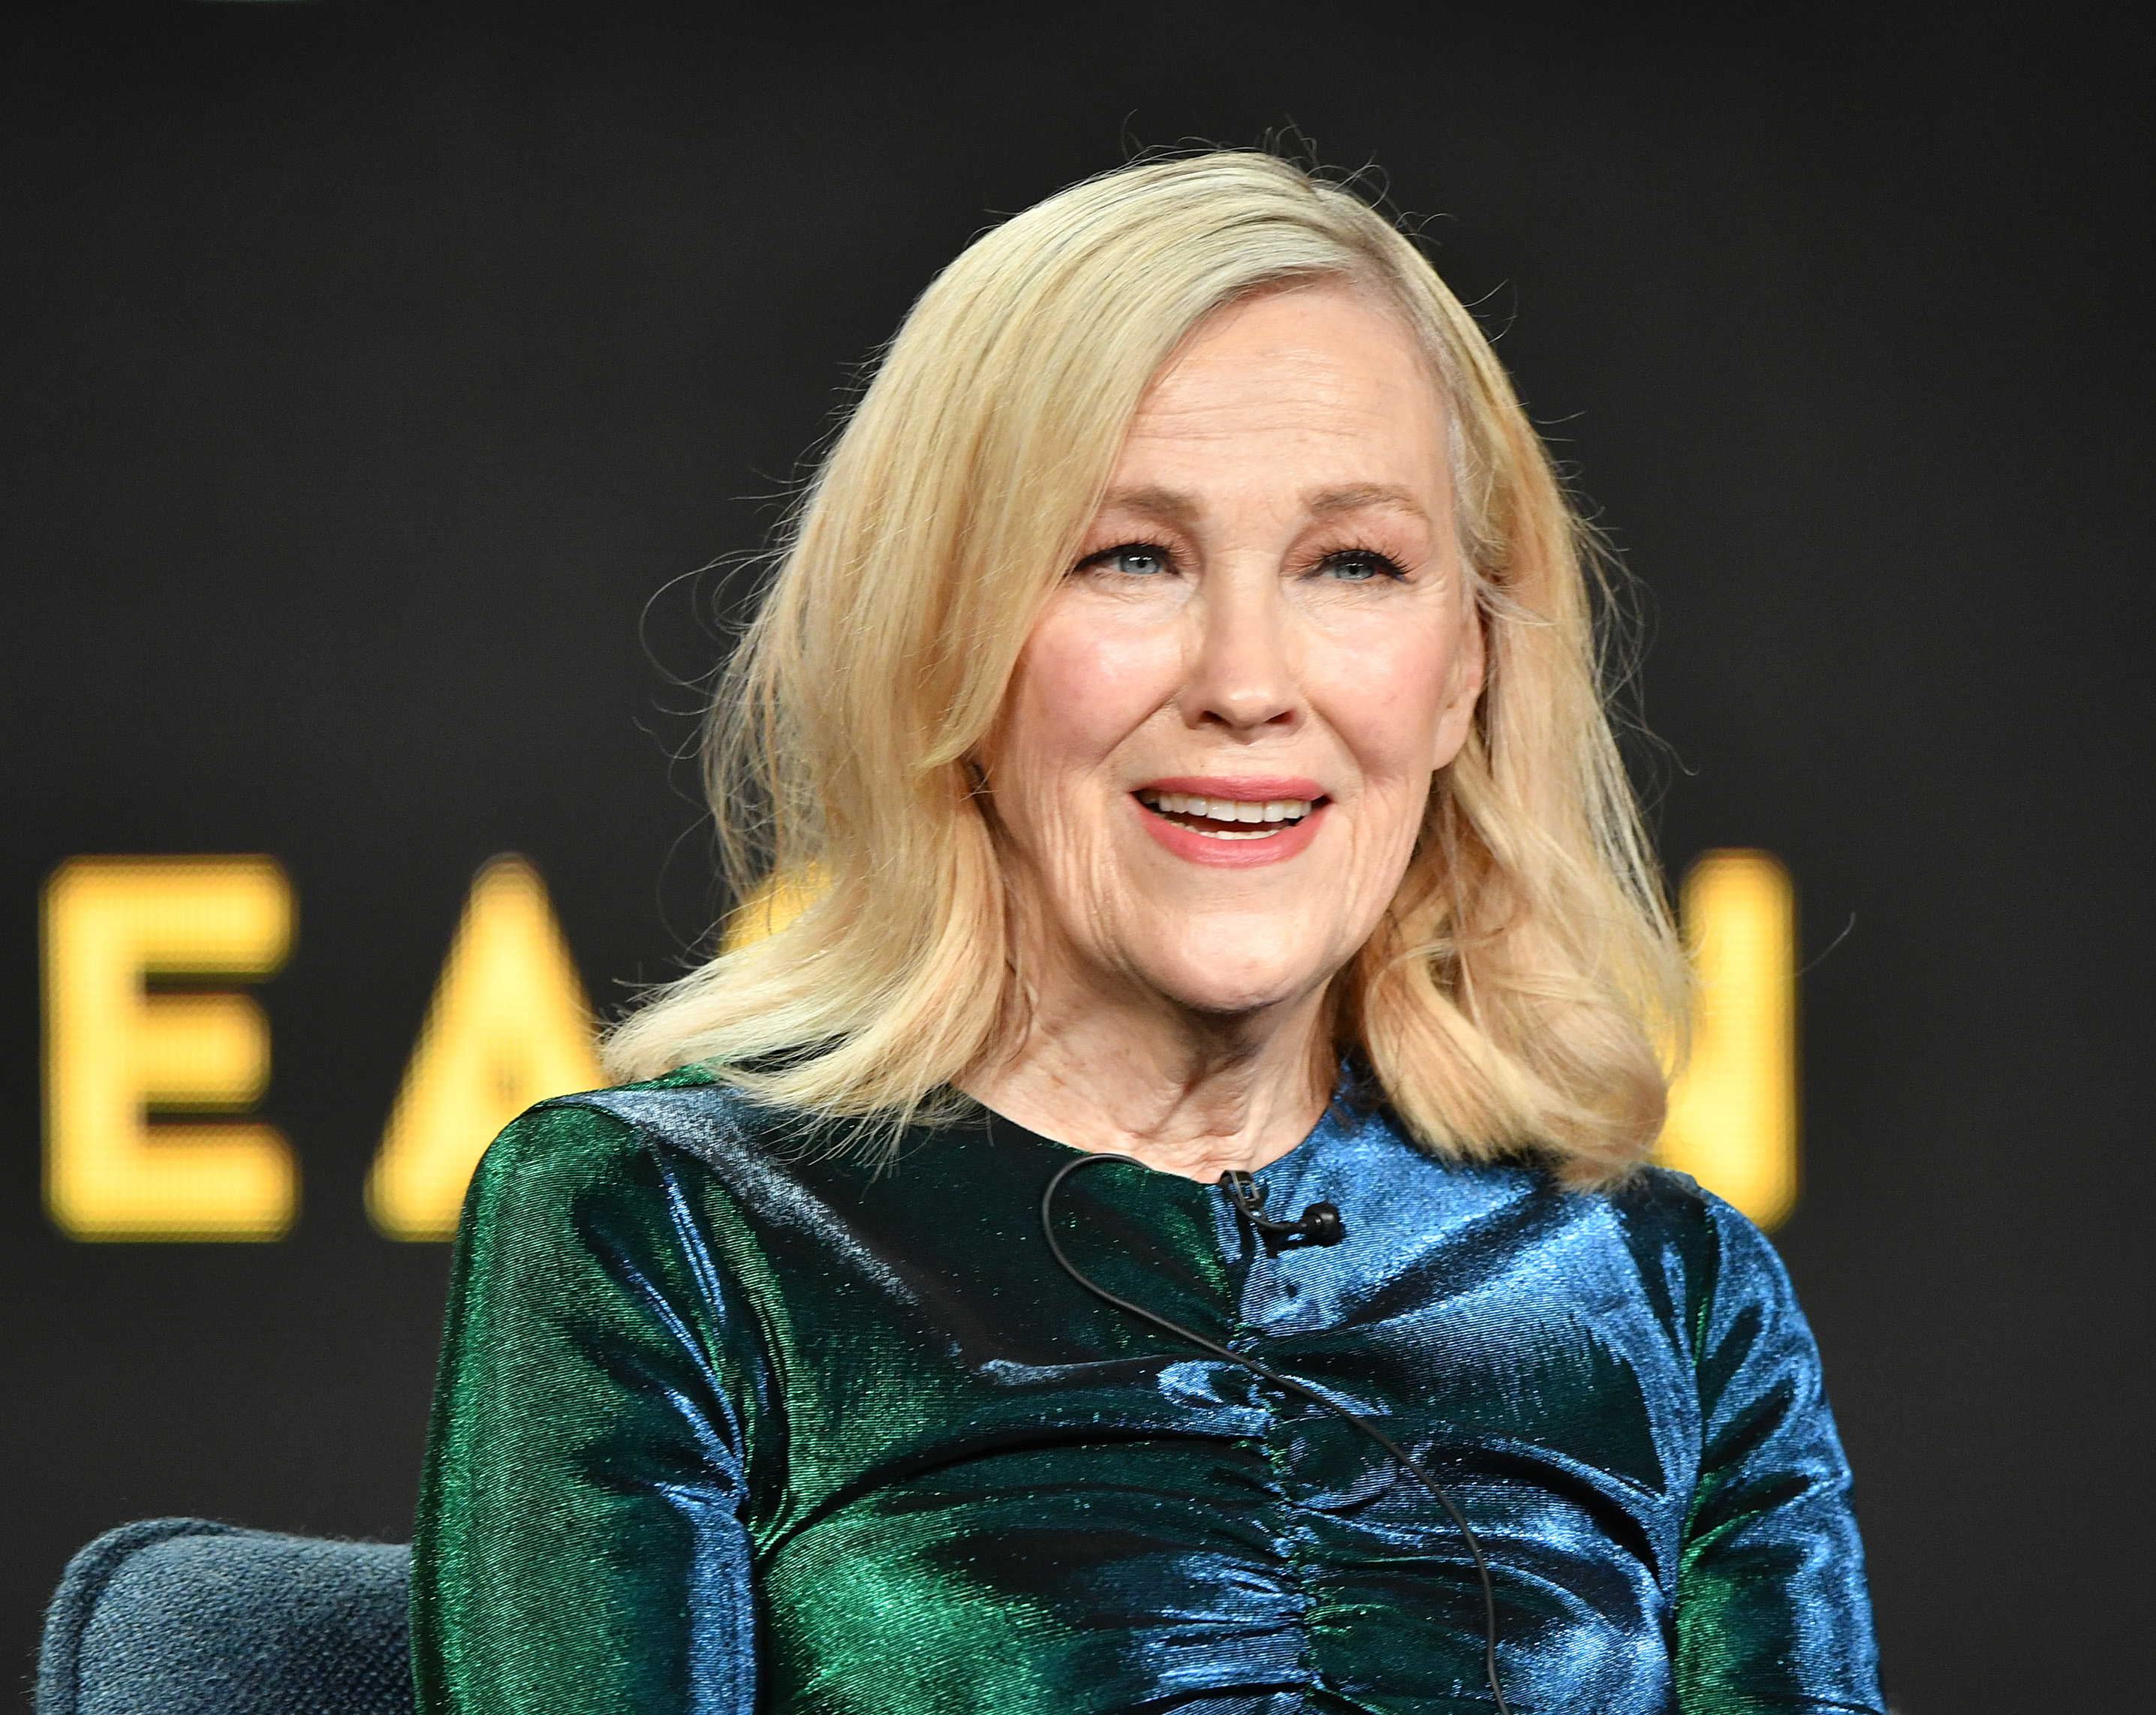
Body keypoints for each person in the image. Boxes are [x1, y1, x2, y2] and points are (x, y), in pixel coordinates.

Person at [411, 151, 1882, 1714]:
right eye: (1131, 556)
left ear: (1468, 665)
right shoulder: (666, 1234)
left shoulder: (1671, 1291)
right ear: (946, 638)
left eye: (1354, 564)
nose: (1246, 682)